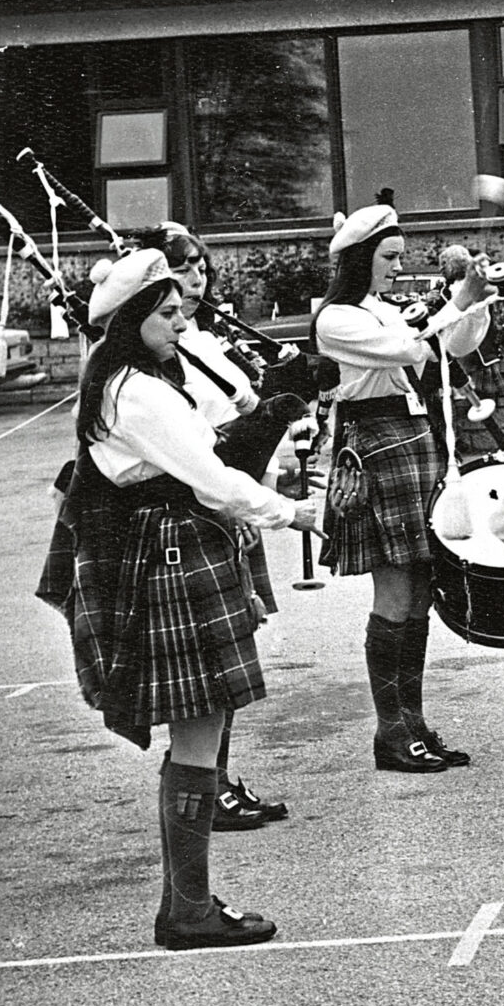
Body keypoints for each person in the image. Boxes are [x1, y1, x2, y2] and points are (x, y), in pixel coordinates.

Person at [35, 250, 321, 949]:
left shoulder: (142, 381)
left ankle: (187, 902)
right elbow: (211, 477)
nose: (180, 320)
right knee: (199, 724)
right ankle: (187, 909)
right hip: (171, 551)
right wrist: (291, 512)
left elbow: (215, 440)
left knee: (203, 724)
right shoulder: (134, 392)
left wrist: (273, 412)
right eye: (166, 313)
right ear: (134, 320)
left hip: (178, 547)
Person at [136, 220, 308, 830]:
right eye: (182, 268)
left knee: (230, 658)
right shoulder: (161, 356)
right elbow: (203, 439)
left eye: (200, 266)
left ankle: (220, 781)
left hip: (236, 498)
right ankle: (209, 790)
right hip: (206, 505)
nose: (196, 277)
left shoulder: (203, 340)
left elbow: (246, 407)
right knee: (212, 669)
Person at [313, 202, 490, 773]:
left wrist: (476, 300)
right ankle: (391, 732)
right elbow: (409, 349)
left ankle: (411, 724)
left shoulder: (381, 310)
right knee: (393, 592)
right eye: (388, 257)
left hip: (413, 441)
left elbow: (451, 346)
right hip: (378, 443)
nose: (396, 266)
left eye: (399, 257)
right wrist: (453, 304)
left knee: (418, 590)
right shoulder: (337, 319)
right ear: (360, 258)